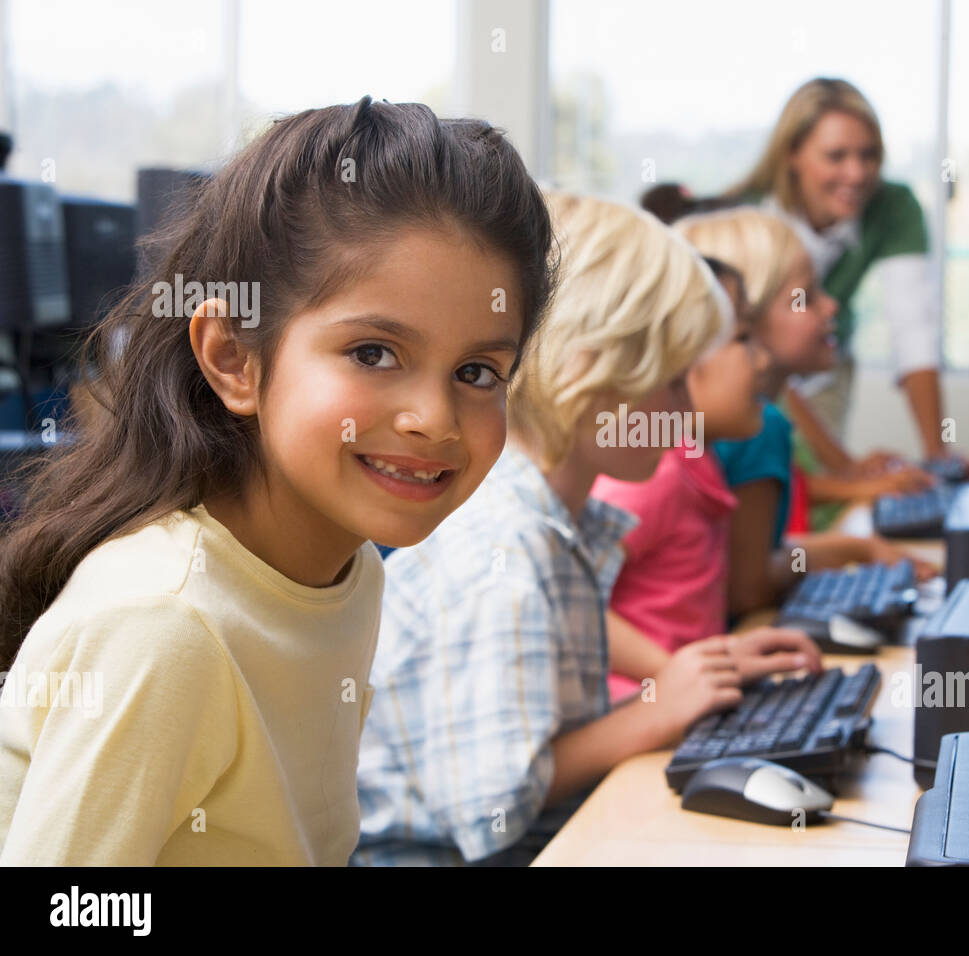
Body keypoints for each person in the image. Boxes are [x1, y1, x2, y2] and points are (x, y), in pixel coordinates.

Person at [0, 98, 556, 865]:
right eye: (373, 352)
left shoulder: (347, 570)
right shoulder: (166, 627)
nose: (435, 416)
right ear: (234, 358)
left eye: (476, 371)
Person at [351, 194, 815, 866]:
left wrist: (700, 676)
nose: (685, 411)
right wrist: (655, 712)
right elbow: (493, 809)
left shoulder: (555, 522)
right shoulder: (501, 552)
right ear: (588, 373)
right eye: (673, 382)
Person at [676, 207, 938, 619]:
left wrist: (859, 548)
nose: (831, 306)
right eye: (806, 296)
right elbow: (750, 586)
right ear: (745, 315)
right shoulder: (757, 427)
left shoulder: (748, 414)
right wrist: (855, 549)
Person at [591, 258, 821, 700]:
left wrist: (723, 659)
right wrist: (674, 672)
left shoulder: (700, 462)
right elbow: (575, 601)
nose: (761, 360)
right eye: (742, 341)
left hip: (683, 703)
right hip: (638, 711)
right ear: (680, 363)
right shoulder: (655, 474)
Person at [729, 77, 966, 474]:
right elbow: (760, 358)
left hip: (822, 366)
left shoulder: (892, 207)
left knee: (808, 491)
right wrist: (848, 470)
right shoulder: (747, 222)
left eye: (869, 155)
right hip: (758, 377)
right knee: (775, 475)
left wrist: (936, 456)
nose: (856, 173)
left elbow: (914, 332)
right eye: (836, 156)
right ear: (792, 154)